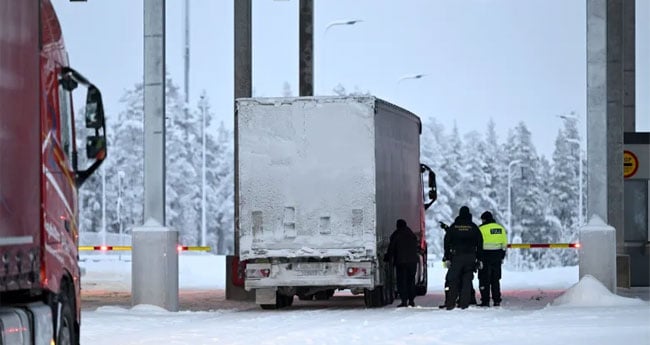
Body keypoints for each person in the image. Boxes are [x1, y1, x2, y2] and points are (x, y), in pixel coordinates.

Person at [443, 206, 483, 310]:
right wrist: (479, 259)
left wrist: (447, 257)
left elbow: (446, 242)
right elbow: (480, 244)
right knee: (467, 280)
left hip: (457, 257)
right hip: (470, 257)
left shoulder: (454, 227)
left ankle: (450, 303)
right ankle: (464, 304)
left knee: (453, 279)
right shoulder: (474, 227)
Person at [385, 219, 419, 307]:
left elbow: (391, 247)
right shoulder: (412, 234)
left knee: (402, 281)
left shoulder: (396, 234)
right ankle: (411, 300)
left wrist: (388, 257)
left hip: (401, 262)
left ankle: (404, 301)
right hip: (412, 262)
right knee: (411, 281)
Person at [477, 211, 508, 307]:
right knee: (495, 279)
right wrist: (502, 256)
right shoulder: (500, 228)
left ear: (484, 219)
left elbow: (477, 244)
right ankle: (497, 300)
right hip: (497, 255)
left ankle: (485, 301)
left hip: (485, 256)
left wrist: (478, 258)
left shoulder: (481, 229)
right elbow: (504, 244)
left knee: (484, 279)